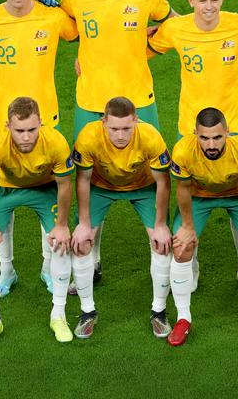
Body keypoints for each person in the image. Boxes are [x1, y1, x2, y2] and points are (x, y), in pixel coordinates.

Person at [60, 0, 175, 282]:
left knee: (153, 174)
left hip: (139, 98)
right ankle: (90, 257)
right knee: (89, 178)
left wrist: (148, 50)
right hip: (91, 99)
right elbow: (61, 28)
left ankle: (164, 250)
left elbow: (172, 25)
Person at [148, 0, 238, 293]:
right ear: (190, 2)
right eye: (202, 0)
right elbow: (144, 48)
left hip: (234, 129)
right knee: (189, 189)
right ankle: (192, 260)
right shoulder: (176, 28)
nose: (209, 6)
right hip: (191, 130)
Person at [0, 0, 78, 298]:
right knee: (5, 196)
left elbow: (81, 30)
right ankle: (7, 268)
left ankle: (47, 266)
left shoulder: (53, 17)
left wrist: (57, 3)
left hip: (45, 124)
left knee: (49, 197)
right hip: (2, 125)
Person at [166, 107, 238, 346]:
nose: (211, 145)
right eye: (204, 138)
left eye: (217, 137)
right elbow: (183, 189)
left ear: (227, 131)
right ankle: (183, 318)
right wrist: (187, 226)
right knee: (182, 247)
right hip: (199, 196)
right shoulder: (183, 151)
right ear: (195, 133)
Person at [69, 97, 173, 339]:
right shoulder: (88, 136)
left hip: (143, 187)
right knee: (82, 244)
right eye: (114, 128)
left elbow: (163, 182)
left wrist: (160, 225)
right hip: (101, 187)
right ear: (103, 122)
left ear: (136, 121)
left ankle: (159, 311)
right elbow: (82, 180)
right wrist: (84, 224)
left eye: (127, 128)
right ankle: (87, 312)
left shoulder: (150, 137)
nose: (120, 135)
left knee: (162, 244)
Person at [0, 97, 75, 347]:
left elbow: (65, 185)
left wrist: (62, 225)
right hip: (5, 191)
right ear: (8, 126)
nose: (27, 137)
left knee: (62, 242)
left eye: (32, 129)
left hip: (43, 189)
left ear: (41, 123)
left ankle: (59, 314)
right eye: (20, 131)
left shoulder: (55, 143)